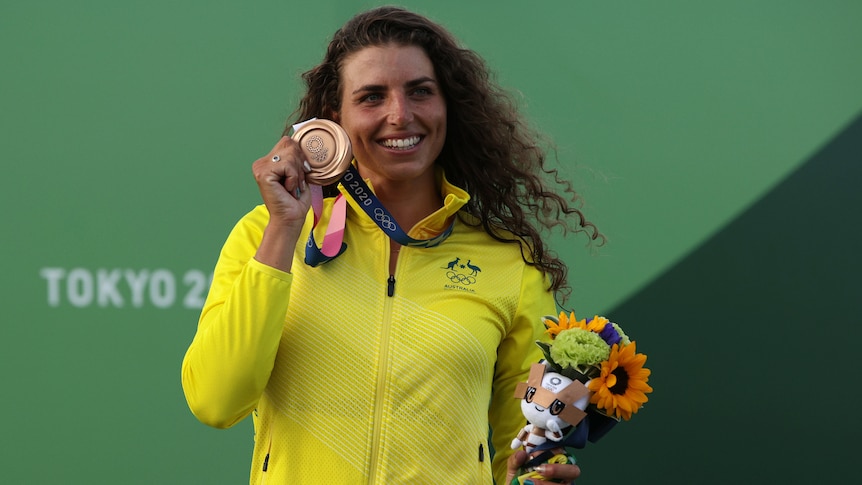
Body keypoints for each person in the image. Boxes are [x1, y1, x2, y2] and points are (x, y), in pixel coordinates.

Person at [181, 6, 601, 484]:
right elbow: (216, 401)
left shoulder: (507, 261)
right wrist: (283, 230)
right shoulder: (265, 235)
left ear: (448, 106)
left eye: (420, 91)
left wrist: (540, 473)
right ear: (332, 121)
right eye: (371, 97)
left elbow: (528, 442)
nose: (399, 115)